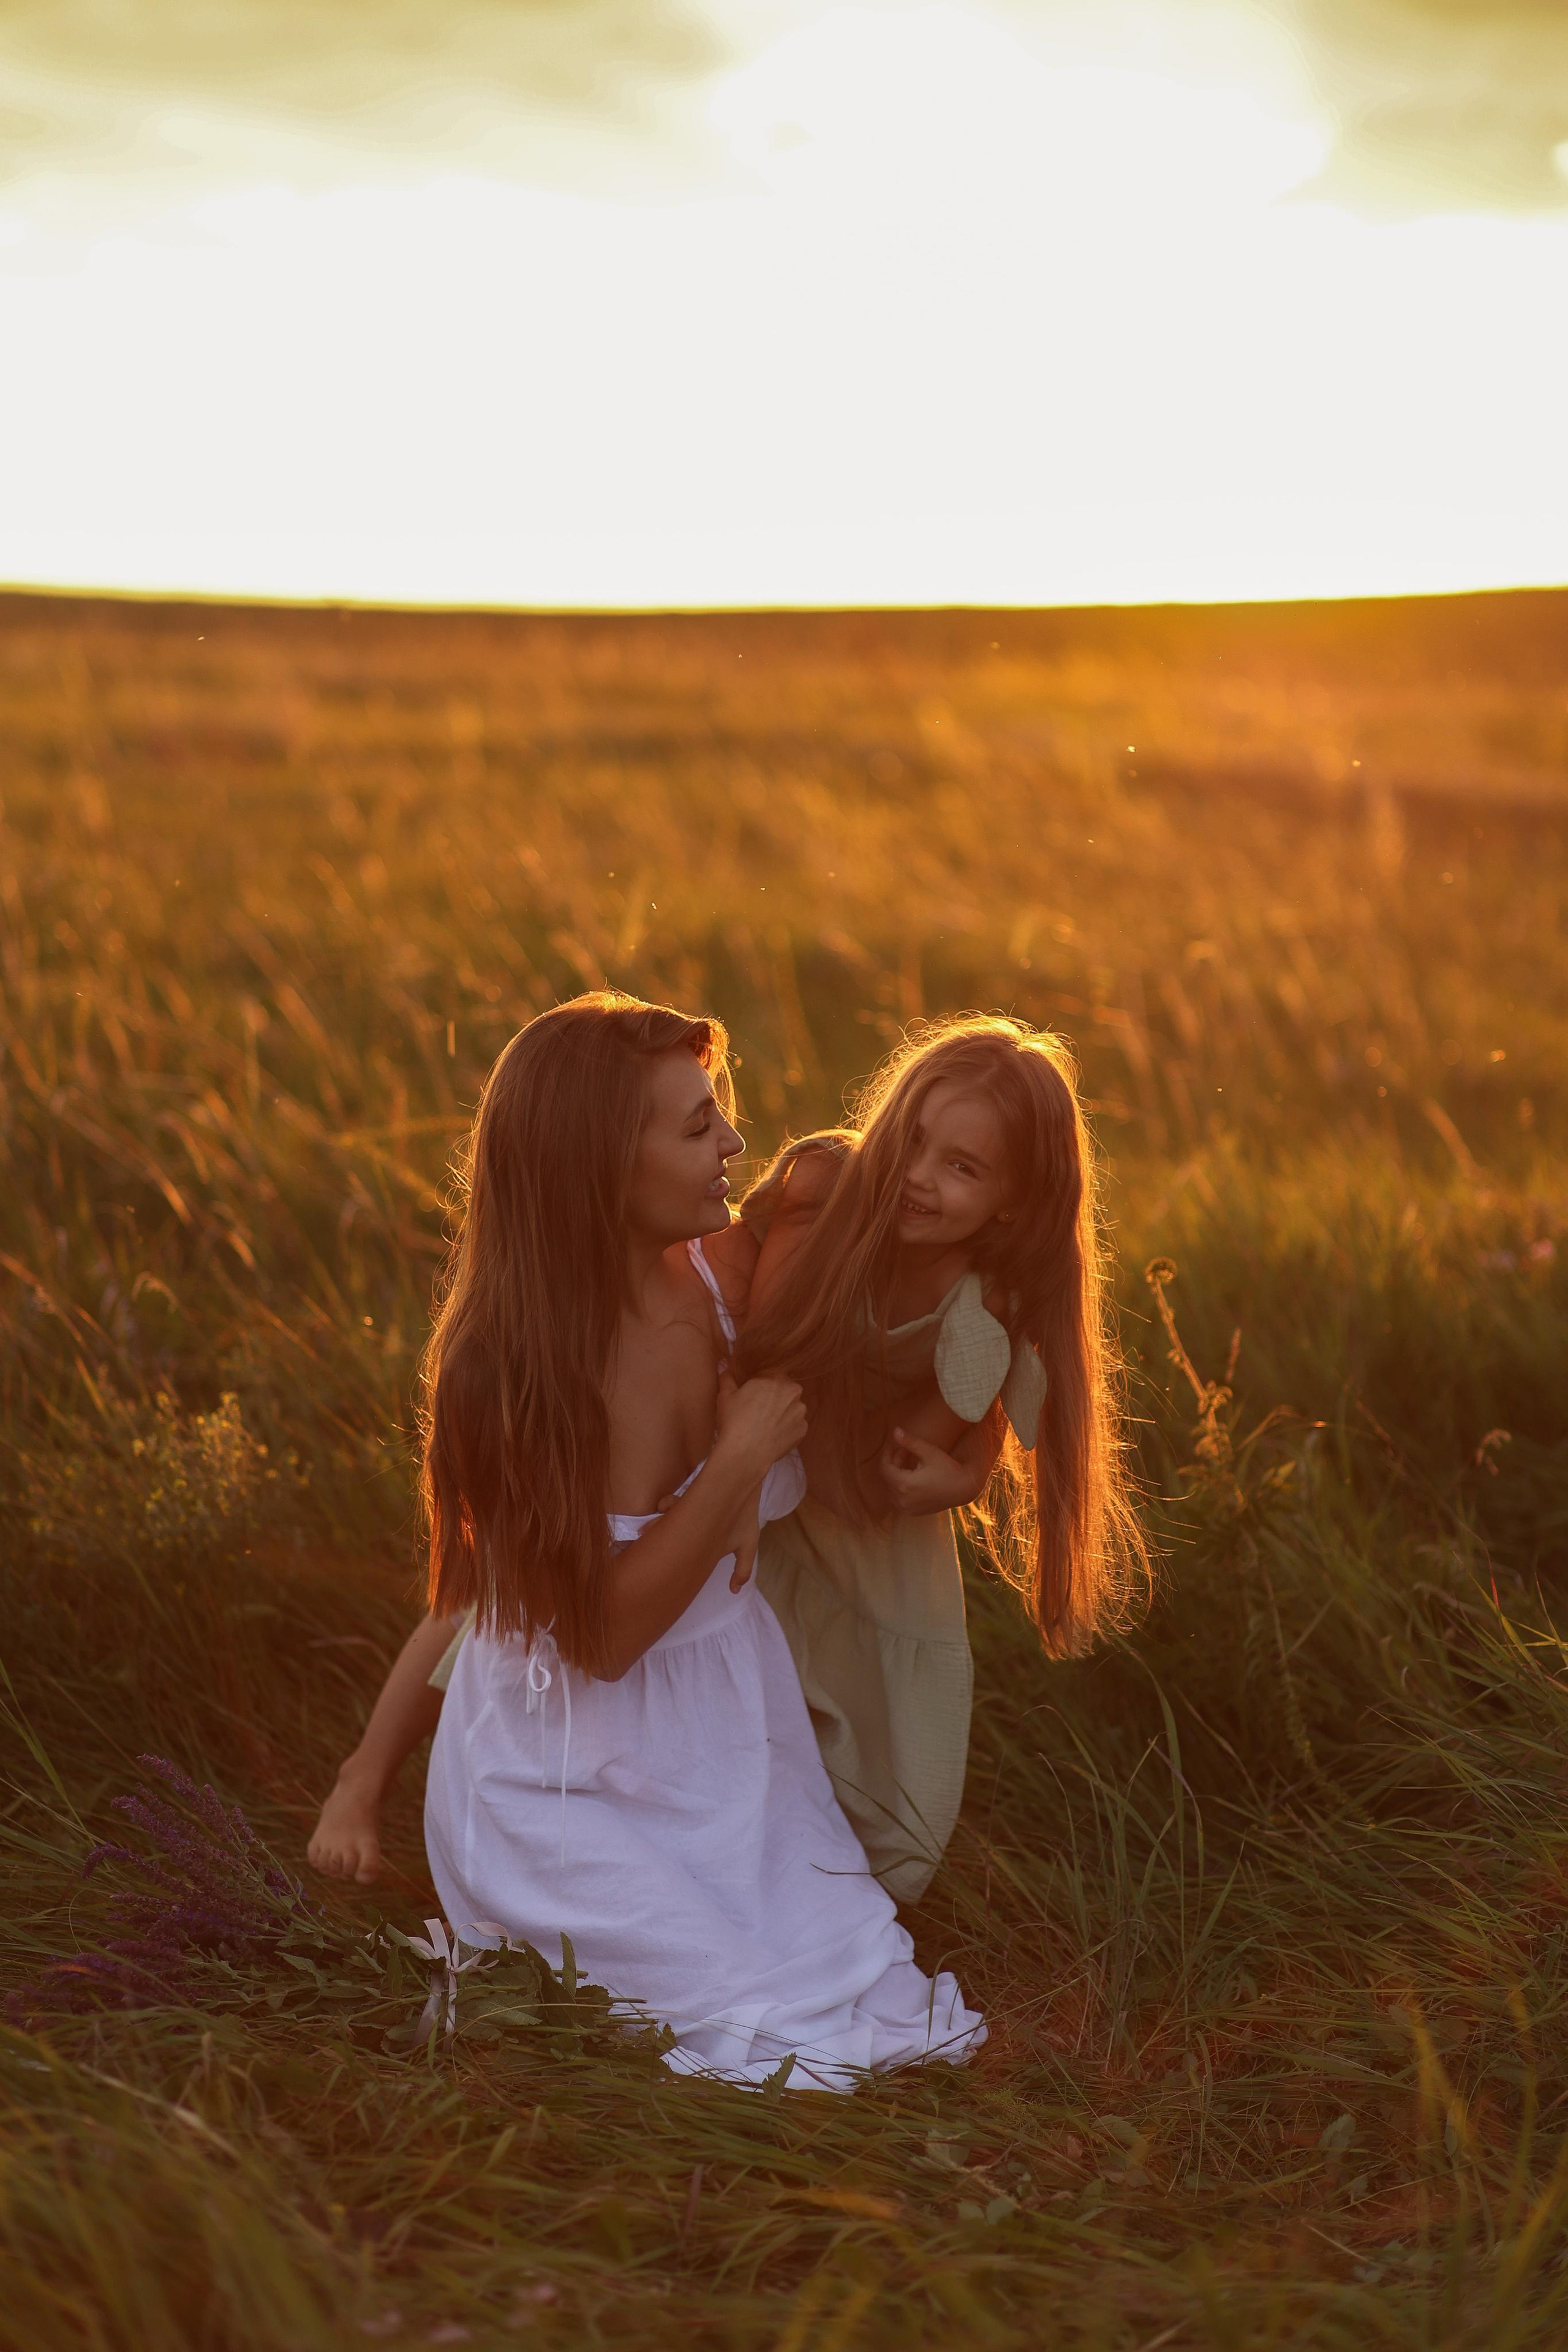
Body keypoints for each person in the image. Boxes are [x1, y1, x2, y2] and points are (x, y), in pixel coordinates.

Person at [315, 991, 984, 2089]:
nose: (731, 1142)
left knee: (850, 1982)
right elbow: (606, 1641)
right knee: (745, 2027)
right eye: (694, 1126)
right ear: (595, 1168)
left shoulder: (724, 1277)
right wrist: (736, 1461)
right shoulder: (516, 1374)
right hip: (561, 1775)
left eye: (718, 1109)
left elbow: (926, 1250)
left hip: (725, 1735)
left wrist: (969, 1464)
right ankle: (475, 1871)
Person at [731, 1014, 1149, 1899]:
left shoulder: (986, 1296)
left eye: (962, 1168)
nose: (918, 1179)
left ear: (1013, 1202)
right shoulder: (826, 1190)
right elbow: (760, 1354)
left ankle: (817, 1883)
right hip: (743, 1463)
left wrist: (964, 1469)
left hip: (852, 1505)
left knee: (889, 1768)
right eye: (915, 1143)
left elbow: (917, 1448)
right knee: (732, 1692)